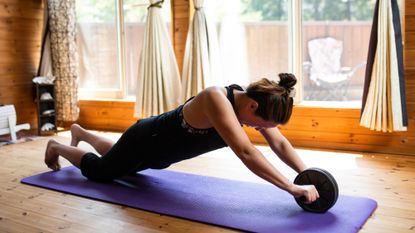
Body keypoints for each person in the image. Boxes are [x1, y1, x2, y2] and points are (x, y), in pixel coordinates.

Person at [44, 73, 319, 204]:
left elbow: (279, 143)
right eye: (262, 125)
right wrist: (291, 188)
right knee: (102, 171)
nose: (260, 129)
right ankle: (57, 146)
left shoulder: (257, 106)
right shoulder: (216, 98)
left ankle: (81, 133)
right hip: (146, 139)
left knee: (120, 159)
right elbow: (247, 153)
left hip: (156, 154)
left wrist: (306, 175)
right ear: (253, 107)